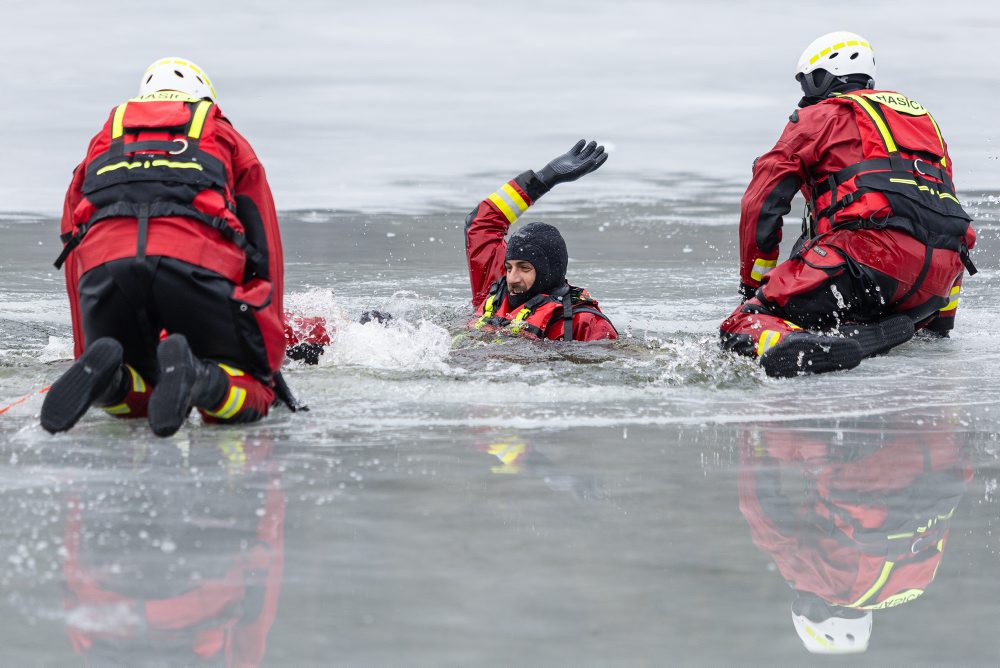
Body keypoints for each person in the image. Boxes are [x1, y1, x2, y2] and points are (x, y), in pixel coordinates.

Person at [42, 57, 291, 437]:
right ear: (203, 98)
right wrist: (266, 360)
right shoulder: (224, 136)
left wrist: (87, 347)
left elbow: (74, 243)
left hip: (105, 269)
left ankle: (111, 382)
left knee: (137, 397)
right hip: (193, 264)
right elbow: (265, 245)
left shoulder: (102, 140)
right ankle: (199, 377)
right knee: (253, 391)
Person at [719, 32, 976, 377]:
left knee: (740, 325)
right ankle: (867, 332)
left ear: (822, 77)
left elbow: (761, 201)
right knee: (928, 235)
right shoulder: (924, 124)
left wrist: (754, 287)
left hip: (864, 262)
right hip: (935, 287)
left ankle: (803, 342)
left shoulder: (819, 117)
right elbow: (943, 212)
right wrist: (939, 323)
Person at [465, 140, 618, 341]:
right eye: (509, 267)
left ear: (549, 272)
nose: (512, 278)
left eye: (524, 268)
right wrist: (545, 178)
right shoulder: (493, 291)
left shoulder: (585, 323)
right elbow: (480, 224)